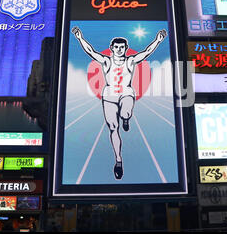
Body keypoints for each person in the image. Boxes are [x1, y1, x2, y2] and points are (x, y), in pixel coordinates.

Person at [71, 26, 167, 180]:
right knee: (113, 128)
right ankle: (118, 161)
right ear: (112, 48)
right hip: (109, 96)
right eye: (117, 47)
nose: (119, 50)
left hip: (126, 93)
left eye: (122, 47)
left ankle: (126, 118)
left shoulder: (130, 61)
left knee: (125, 113)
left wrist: (157, 40)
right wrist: (80, 37)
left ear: (126, 49)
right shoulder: (106, 61)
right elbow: (91, 51)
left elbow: (146, 52)